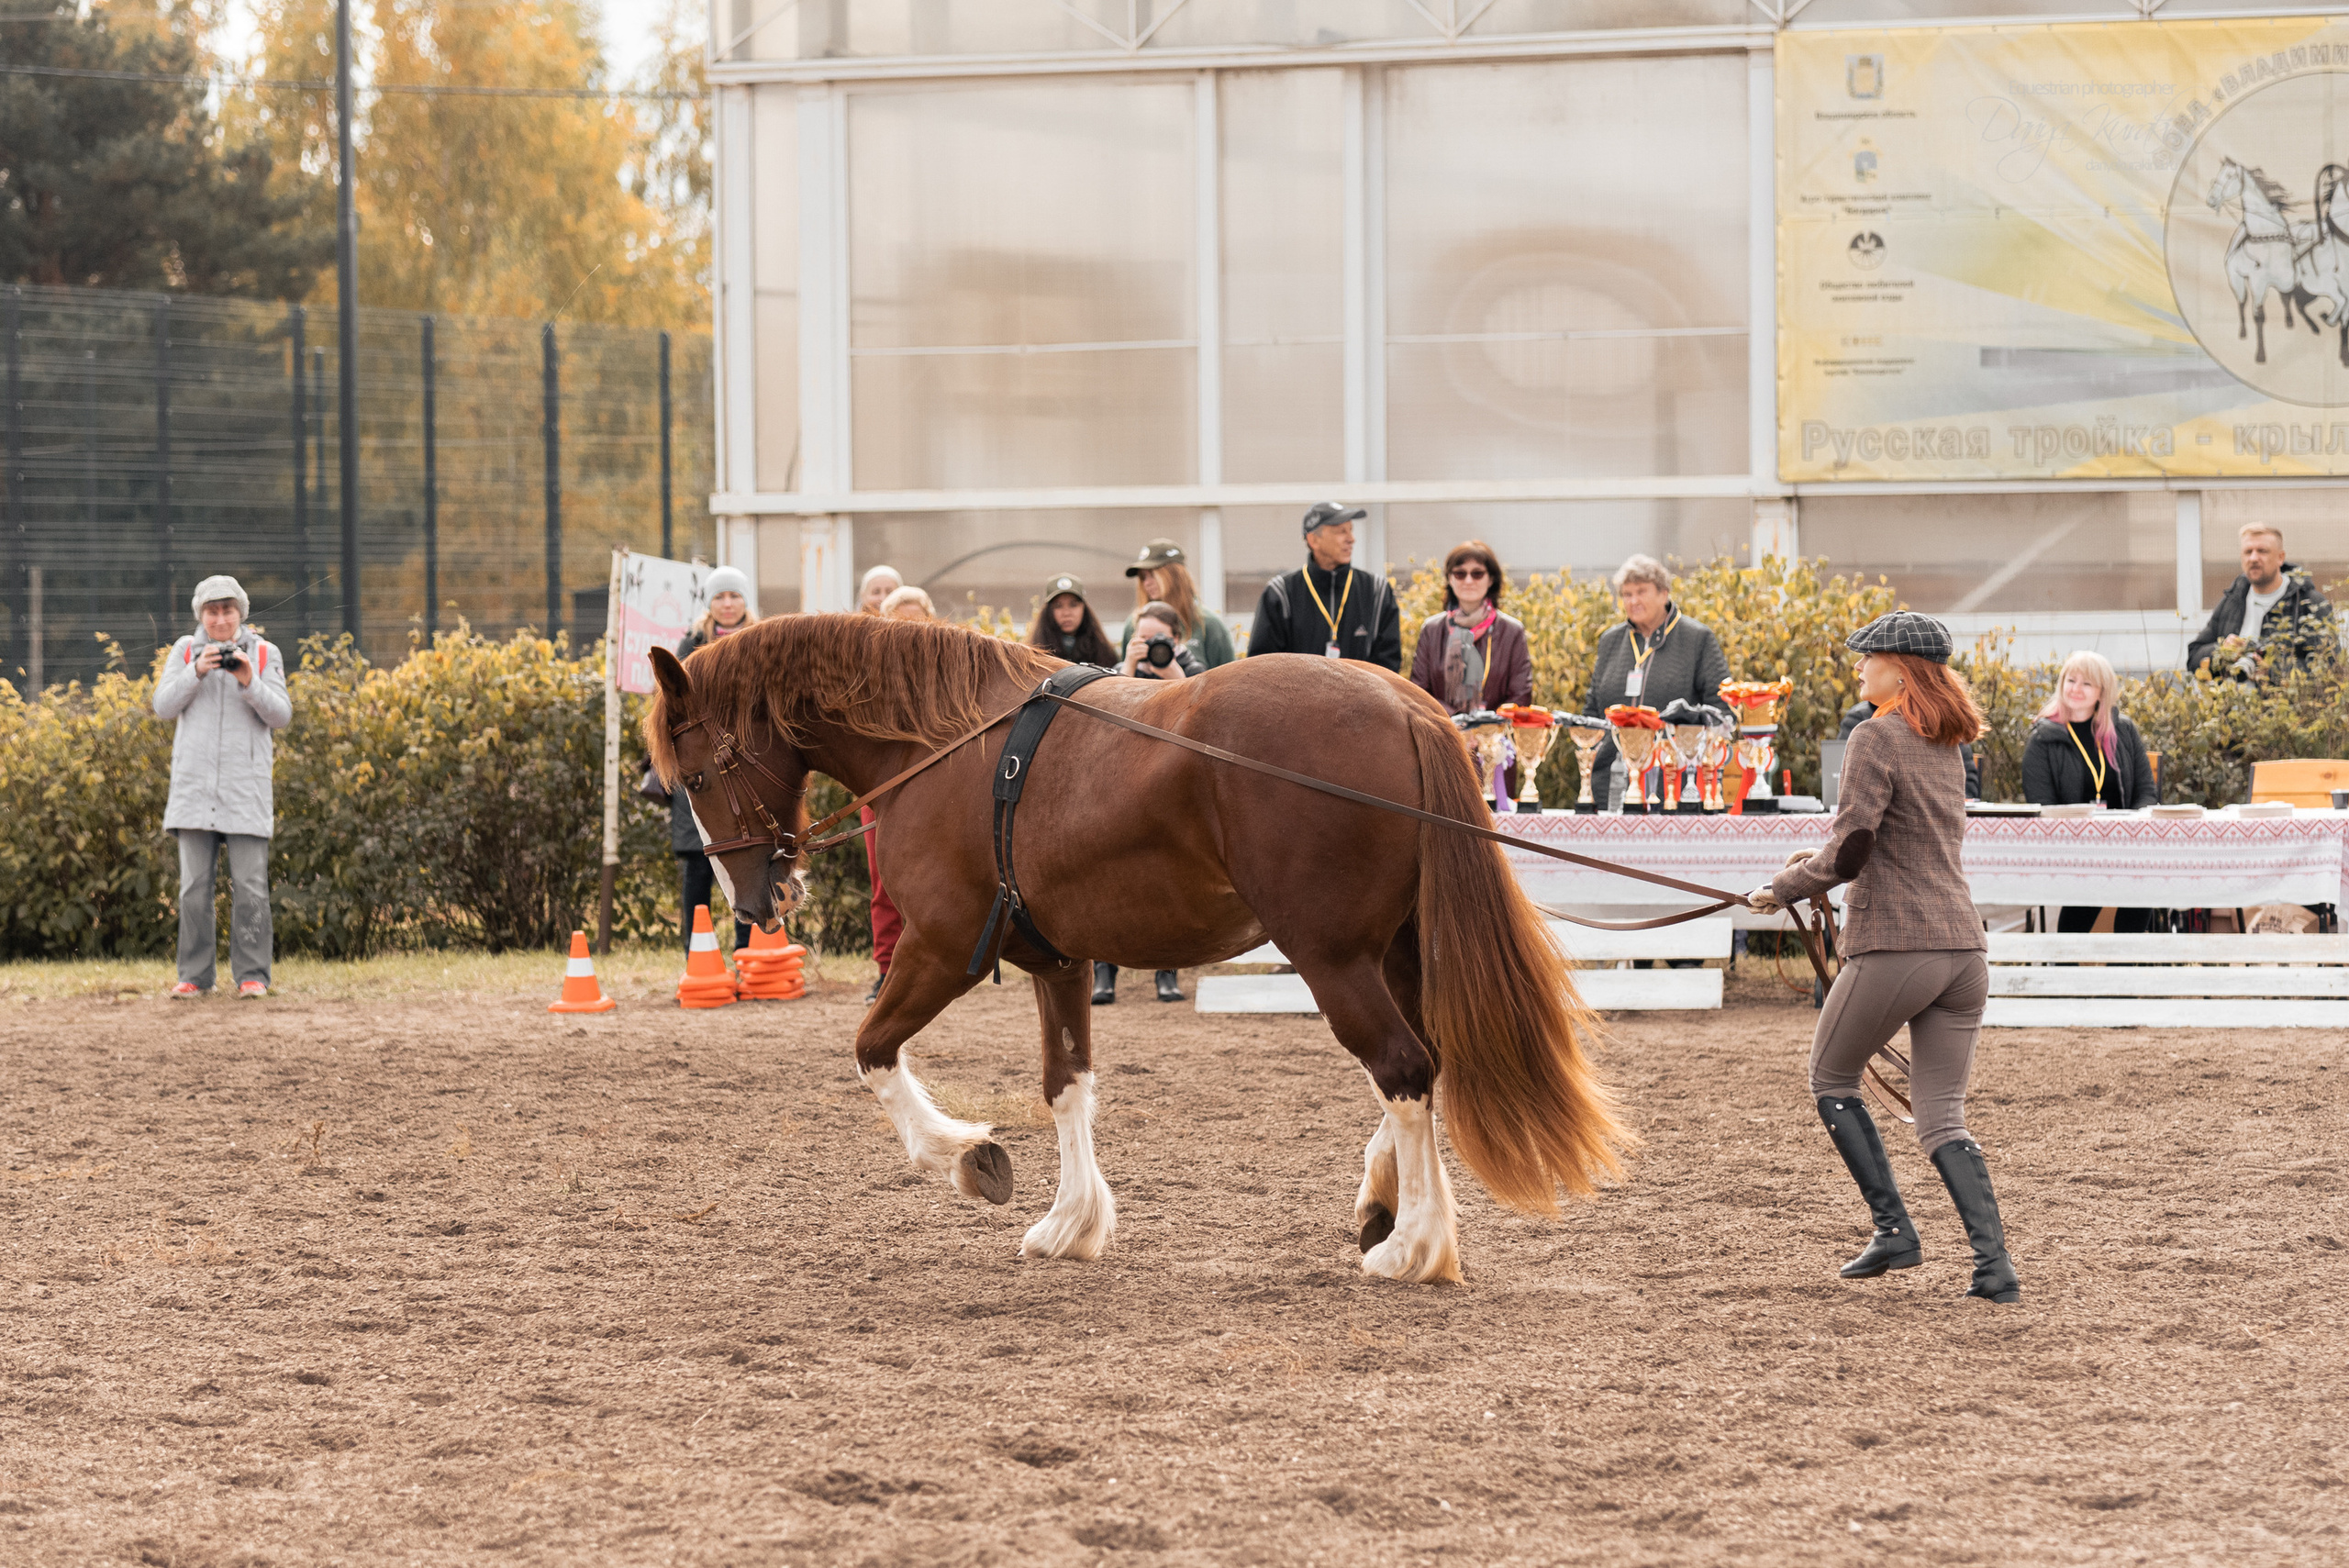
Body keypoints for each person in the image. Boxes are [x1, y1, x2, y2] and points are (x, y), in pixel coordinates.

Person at [1749, 610, 2019, 1306]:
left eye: (1867, 658)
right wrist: (1812, 864)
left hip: (1900, 943)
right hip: (1963, 951)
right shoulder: (1944, 741)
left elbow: (1853, 849)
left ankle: (1895, 1228)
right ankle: (1994, 1269)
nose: (1858, 668)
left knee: (1829, 1075)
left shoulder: (1875, 734)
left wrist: (1784, 887)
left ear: (1900, 668)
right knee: (1942, 1115)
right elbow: (1880, 843)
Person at [153, 574, 293, 999]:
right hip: (195, 790)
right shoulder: (184, 651)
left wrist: (249, 680)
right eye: (212, 611)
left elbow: (281, 715)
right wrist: (196, 671)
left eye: (227, 610)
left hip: (245, 791)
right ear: (201, 614)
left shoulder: (267, 654)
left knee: (250, 886)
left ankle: (253, 976)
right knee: (194, 887)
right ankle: (194, 977)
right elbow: (162, 706)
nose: (220, 619)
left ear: (241, 613)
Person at [1094, 600, 1199, 1007]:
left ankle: (1167, 972)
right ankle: (1104, 971)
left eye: (1160, 638)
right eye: (1143, 637)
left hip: (1171, 789)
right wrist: (1128, 667)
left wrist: (1173, 675)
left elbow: (1201, 715)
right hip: (1122, 788)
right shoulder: (1122, 670)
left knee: (1170, 878)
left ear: (1177, 639)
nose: (1151, 645)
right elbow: (1103, 717)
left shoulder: (1194, 669)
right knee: (1107, 875)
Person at [2021, 650, 2160, 934]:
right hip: (2072, 846)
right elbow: (2042, 804)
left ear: (2101, 692)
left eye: (2086, 684)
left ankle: (2122, 969)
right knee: (2090, 883)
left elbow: (2146, 792)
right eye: (2071, 680)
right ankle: (2067, 968)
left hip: (2125, 843)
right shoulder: (2043, 738)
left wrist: (2129, 831)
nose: (2076, 689)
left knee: (2144, 884)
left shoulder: (2123, 731)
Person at [1582, 554, 1730, 806]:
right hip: (1612, 781)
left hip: (1675, 783)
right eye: (1627, 594)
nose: (1633, 600)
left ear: (1664, 593)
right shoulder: (1610, 641)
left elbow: (1721, 710)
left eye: (1641, 591)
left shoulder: (1697, 639)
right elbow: (1593, 709)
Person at [671, 566, 758, 954]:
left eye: (734, 596)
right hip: (701, 770)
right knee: (699, 863)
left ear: (744, 600)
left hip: (750, 765)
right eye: (720, 597)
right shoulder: (689, 645)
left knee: (753, 854)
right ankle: (698, 953)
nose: (727, 603)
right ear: (709, 603)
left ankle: (747, 949)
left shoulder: (760, 641)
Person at [1244, 502, 1401, 670]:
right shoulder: (1280, 594)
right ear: (1313, 540)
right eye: (1341, 531)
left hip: (1363, 697)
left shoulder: (1377, 591)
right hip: (1296, 697)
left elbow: (1388, 669)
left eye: (1351, 530)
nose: (1351, 539)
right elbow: (1261, 668)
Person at [2187, 522, 2338, 676]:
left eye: (2262, 551)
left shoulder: (2309, 602)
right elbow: (2193, 658)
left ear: (2280, 558)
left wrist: (2272, 672)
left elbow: (2330, 666)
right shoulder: (2233, 600)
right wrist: (2222, 651)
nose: (2253, 558)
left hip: (2284, 700)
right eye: (2248, 552)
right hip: (2230, 699)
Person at [1408, 539, 1532, 716]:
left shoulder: (1512, 631)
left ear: (1491, 580)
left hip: (1496, 738)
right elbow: (1418, 693)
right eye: (1460, 574)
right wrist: (1458, 724)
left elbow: (1521, 696)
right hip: (1444, 734)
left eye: (1477, 574)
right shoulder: (1431, 630)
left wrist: (1484, 729)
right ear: (1450, 579)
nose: (1468, 580)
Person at [1119, 539, 1235, 669]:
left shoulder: (1208, 625)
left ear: (1174, 575)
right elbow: (1125, 683)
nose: (1147, 583)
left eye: (1153, 574)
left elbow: (1231, 681)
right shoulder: (1133, 624)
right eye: (1143, 577)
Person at [1842, 699, 1980, 798]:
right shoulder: (1859, 718)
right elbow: (1840, 776)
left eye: (1871, 658)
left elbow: (1969, 786)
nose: (1859, 666)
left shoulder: (1943, 721)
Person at [1026, 573, 1120, 666]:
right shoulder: (1035, 655)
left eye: (1073, 605)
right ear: (1048, 611)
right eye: (1058, 606)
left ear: (1084, 608)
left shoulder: (1103, 652)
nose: (1066, 613)